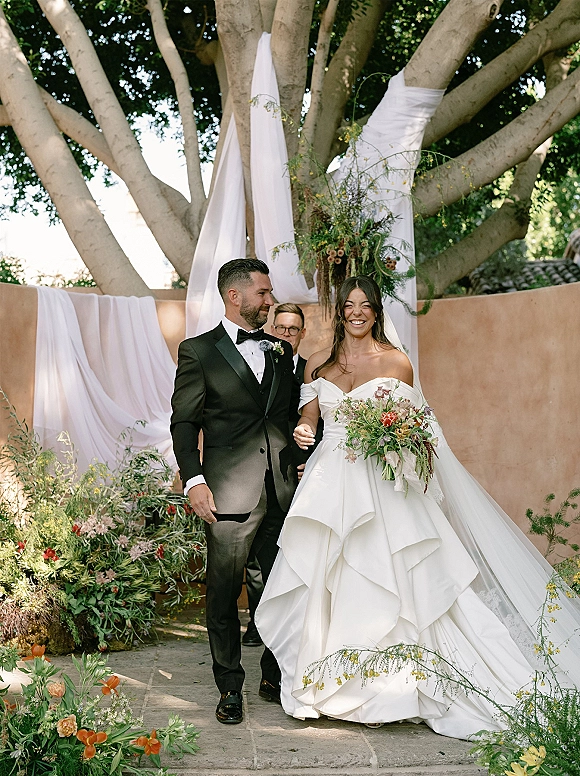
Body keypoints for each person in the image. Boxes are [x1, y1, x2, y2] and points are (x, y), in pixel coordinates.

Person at [255, 275, 580, 739]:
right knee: (327, 578)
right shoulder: (319, 367)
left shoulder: (397, 364)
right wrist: (305, 432)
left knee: (391, 576)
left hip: (383, 490)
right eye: (348, 304)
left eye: (365, 304)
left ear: (377, 310)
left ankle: (399, 684)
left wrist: (394, 445)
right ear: (339, 310)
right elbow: (310, 418)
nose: (357, 312)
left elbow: (417, 435)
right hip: (330, 486)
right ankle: (332, 680)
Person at [171, 258, 299, 725]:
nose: (270, 301)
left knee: (279, 590)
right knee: (224, 595)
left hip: (282, 492)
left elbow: (284, 417)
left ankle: (272, 673)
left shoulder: (281, 352)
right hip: (226, 493)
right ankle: (229, 686)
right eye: (263, 293)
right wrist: (194, 481)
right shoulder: (198, 351)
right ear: (234, 296)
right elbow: (183, 423)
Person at [243, 303, 311, 648]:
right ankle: (258, 621)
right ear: (272, 328)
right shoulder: (261, 364)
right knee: (259, 552)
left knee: (296, 547)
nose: (286, 334)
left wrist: (310, 461)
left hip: (304, 470)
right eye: (280, 328)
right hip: (264, 470)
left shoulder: (313, 370)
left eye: (293, 329)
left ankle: (298, 620)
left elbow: (322, 420)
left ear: (302, 333)